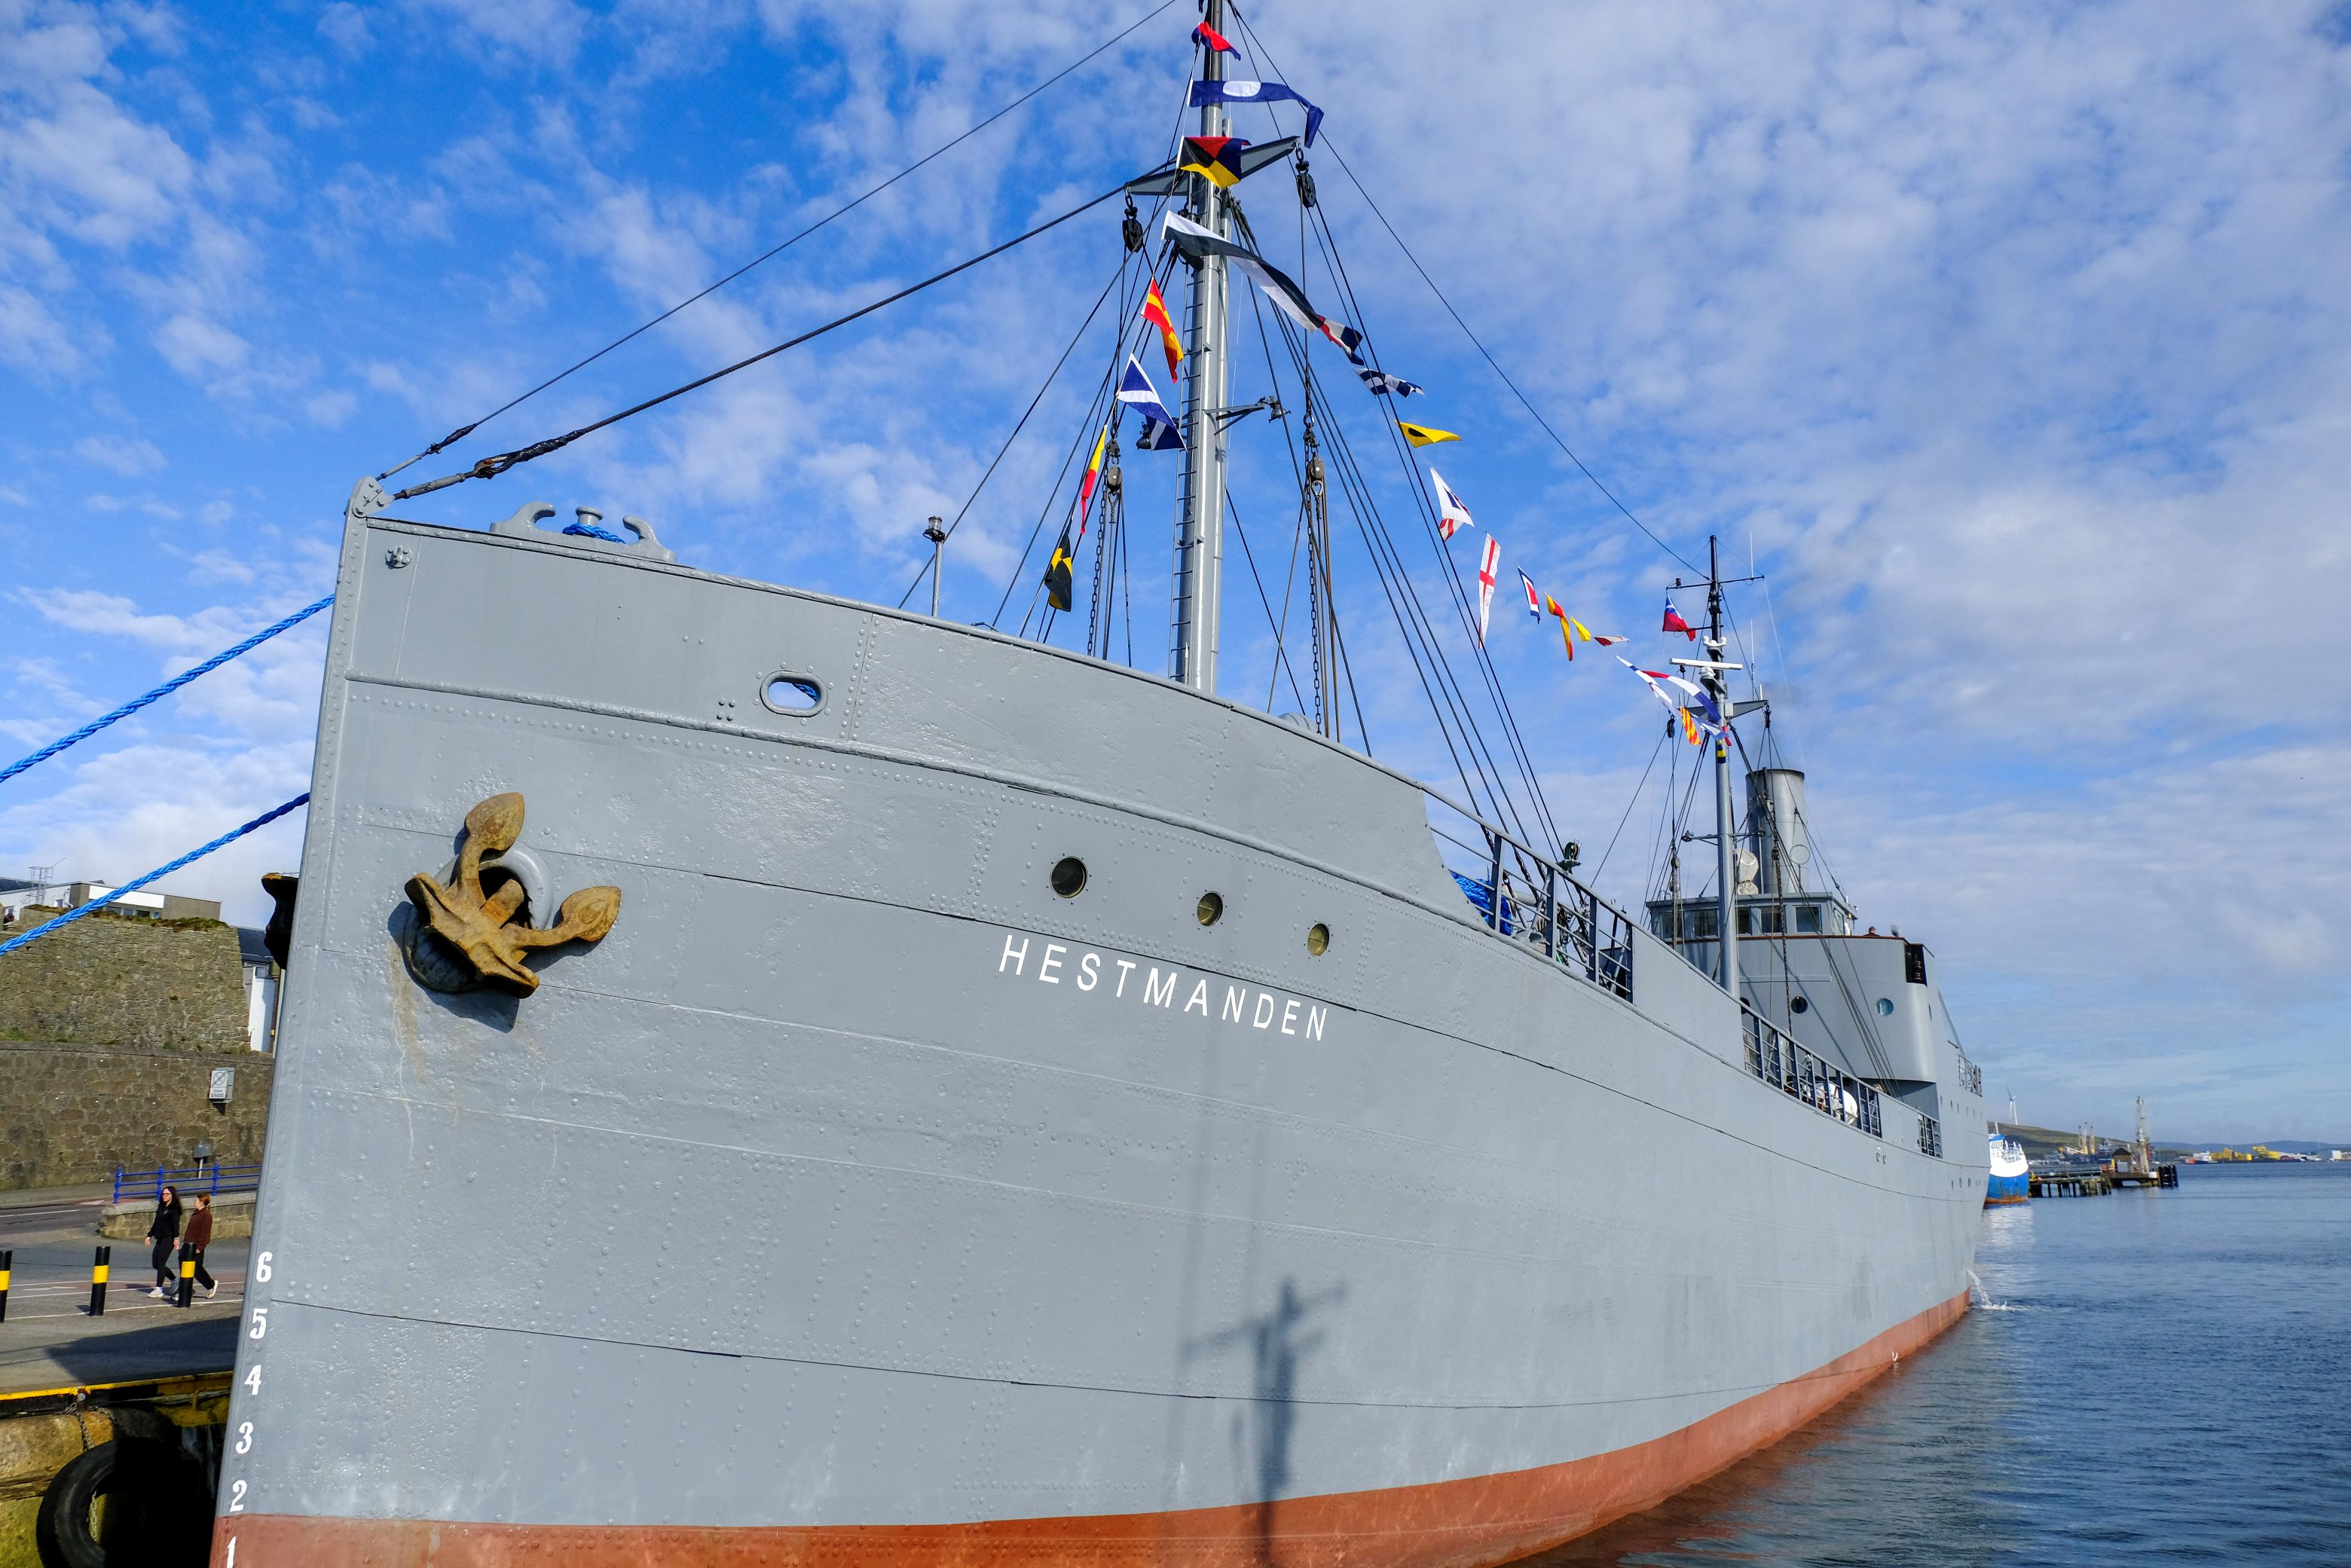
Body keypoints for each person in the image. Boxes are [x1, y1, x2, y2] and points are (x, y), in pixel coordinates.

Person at [145, 1185, 182, 1297]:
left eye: (167, 1194)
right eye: (163, 1194)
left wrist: (176, 1238)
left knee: (161, 1262)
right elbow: (156, 1223)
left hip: (169, 1238)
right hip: (160, 1238)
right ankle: (174, 1280)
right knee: (155, 1263)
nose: (164, 1196)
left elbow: (176, 1225)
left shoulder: (174, 1209)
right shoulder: (162, 1207)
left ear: (172, 1195)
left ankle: (159, 1289)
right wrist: (149, 1235)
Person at [181, 1191, 217, 1301]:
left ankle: (211, 1285)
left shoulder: (206, 1215)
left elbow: (205, 1233)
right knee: (184, 1266)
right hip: (188, 1244)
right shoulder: (196, 1213)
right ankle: (187, 1289)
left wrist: (200, 1247)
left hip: (196, 1246)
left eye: (196, 1200)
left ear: (202, 1202)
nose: (194, 1202)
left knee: (197, 1269)